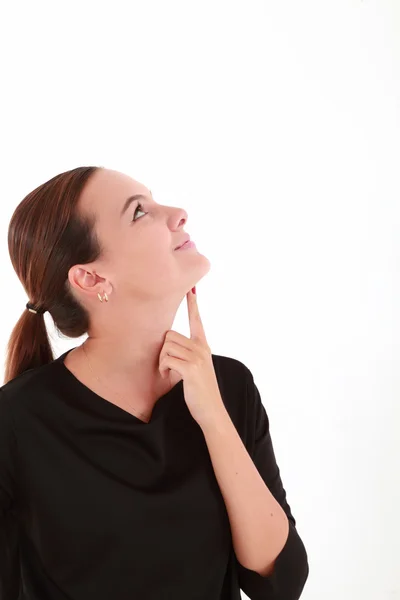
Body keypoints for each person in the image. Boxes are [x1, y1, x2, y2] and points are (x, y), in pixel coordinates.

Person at [0, 166, 309, 599]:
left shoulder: (229, 386)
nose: (178, 213)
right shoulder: (16, 421)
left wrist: (214, 418)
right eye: (140, 212)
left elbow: (278, 583)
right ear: (90, 278)